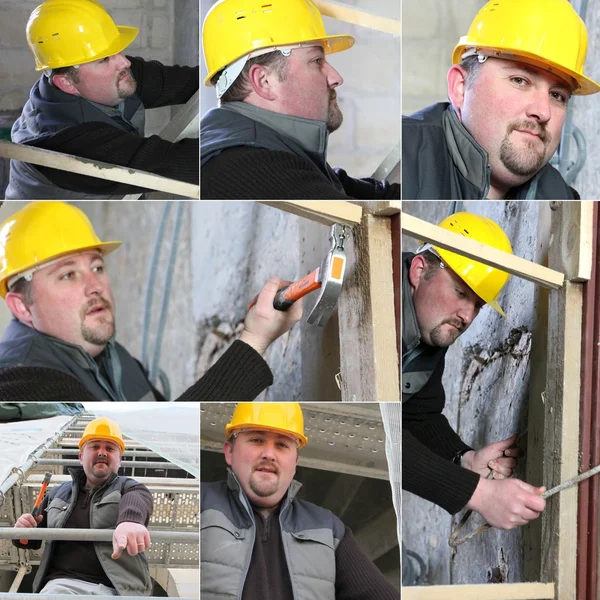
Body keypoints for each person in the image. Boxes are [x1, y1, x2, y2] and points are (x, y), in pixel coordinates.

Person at [0, 202, 302, 401]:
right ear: (22, 306)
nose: (95, 286)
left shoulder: (115, 358)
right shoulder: (19, 382)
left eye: (96, 267)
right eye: (68, 275)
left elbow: (177, 426)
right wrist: (255, 338)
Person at [402, 212, 547, 530]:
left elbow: (417, 416)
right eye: (460, 292)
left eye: (478, 304)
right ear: (419, 270)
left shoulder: (427, 328)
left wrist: (464, 460)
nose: (467, 315)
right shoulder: (378, 309)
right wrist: (479, 494)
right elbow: (381, 429)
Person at [200, 0, 400, 200]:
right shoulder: (248, 167)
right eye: (316, 62)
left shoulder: (271, 150)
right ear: (264, 81)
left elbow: (369, 195)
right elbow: (364, 219)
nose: (336, 78)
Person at [402, 0, 600, 200]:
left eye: (557, 95)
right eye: (520, 80)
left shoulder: (563, 197)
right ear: (460, 87)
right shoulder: (401, 161)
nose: (543, 112)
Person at [201, 402, 399, 600]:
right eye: (256, 440)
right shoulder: (198, 503)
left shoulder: (328, 530)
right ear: (229, 452)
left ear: (295, 462)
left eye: (281, 445)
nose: (269, 454)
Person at [5, 0, 199, 200]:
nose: (125, 61)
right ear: (67, 84)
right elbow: (177, 164)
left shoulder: (110, 73)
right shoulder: (67, 144)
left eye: (115, 49)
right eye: (104, 59)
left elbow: (191, 81)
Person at [13, 417, 153, 596]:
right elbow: (30, 540)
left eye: (110, 448)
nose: (102, 452)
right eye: (94, 446)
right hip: (62, 587)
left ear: (119, 460)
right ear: (81, 457)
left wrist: (131, 520)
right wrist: (23, 530)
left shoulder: (129, 487)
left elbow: (139, 497)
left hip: (117, 590)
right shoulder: (56, 494)